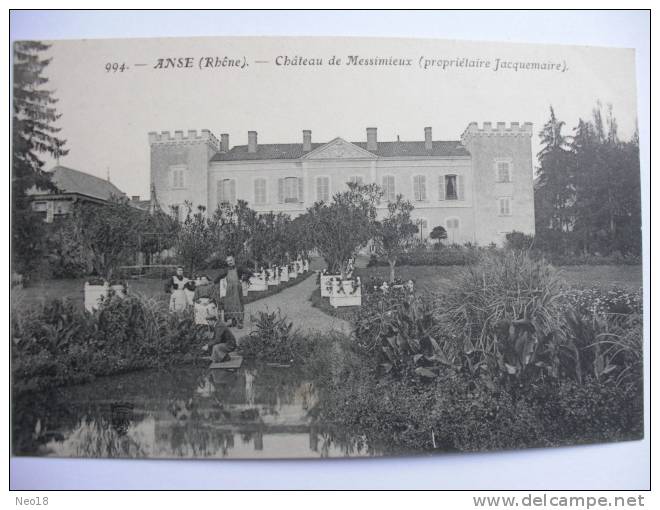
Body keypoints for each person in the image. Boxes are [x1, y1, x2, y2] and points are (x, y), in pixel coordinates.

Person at [214, 255, 253, 328]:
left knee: (238, 304)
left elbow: (249, 273)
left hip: (237, 288)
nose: (229, 262)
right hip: (229, 289)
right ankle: (233, 321)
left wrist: (245, 278)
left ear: (234, 260)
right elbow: (220, 276)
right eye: (228, 261)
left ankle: (240, 322)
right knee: (229, 305)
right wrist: (214, 281)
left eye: (231, 260)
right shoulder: (226, 270)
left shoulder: (239, 268)